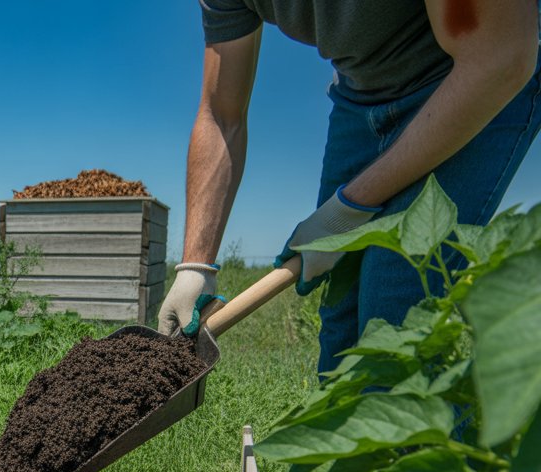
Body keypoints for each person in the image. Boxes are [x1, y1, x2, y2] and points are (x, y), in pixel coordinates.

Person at [158, 0, 541, 374]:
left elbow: (501, 57)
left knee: (395, 313)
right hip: (360, 94)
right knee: (340, 326)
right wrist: (195, 266)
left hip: (476, 73)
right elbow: (221, 115)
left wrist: (349, 208)